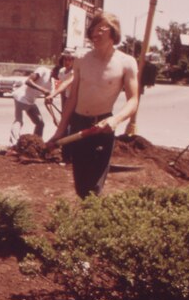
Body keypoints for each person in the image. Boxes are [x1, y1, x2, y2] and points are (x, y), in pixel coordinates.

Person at [46, 11, 139, 198]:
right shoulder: (81, 60)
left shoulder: (126, 63)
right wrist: (60, 131)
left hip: (103, 126)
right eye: (92, 29)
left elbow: (133, 100)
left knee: (95, 185)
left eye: (101, 29)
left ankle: (93, 219)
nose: (94, 34)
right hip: (79, 124)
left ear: (113, 33)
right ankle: (87, 216)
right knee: (81, 184)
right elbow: (72, 99)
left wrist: (116, 120)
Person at [9, 64, 53, 145]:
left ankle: (36, 144)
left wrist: (53, 117)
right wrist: (43, 90)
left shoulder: (52, 83)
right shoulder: (43, 70)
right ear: (54, 71)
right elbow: (28, 81)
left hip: (31, 101)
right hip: (21, 97)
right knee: (19, 120)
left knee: (40, 123)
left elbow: (47, 100)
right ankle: (14, 145)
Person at [45, 50, 76, 161]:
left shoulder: (75, 71)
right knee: (66, 126)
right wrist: (64, 109)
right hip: (68, 99)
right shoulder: (62, 71)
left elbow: (66, 84)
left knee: (70, 128)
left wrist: (53, 94)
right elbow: (63, 91)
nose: (67, 61)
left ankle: (69, 155)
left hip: (78, 101)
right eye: (65, 59)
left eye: (70, 59)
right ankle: (66, 155)